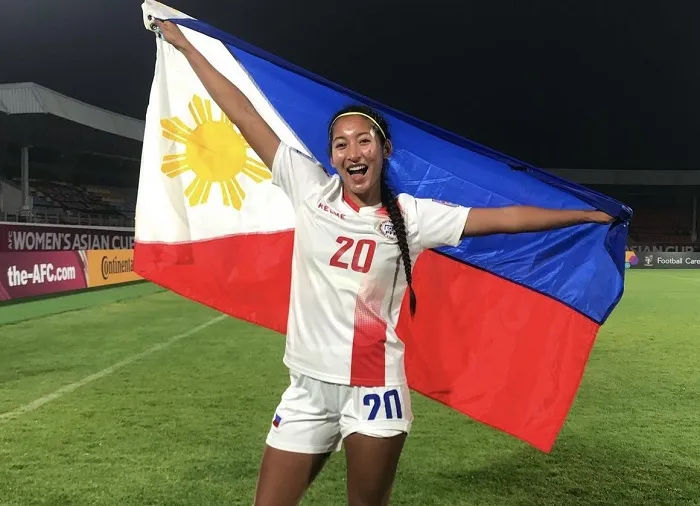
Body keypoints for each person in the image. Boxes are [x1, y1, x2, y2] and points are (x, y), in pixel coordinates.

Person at [153, 20, 614, 506]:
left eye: (363, 140)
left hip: (375, 390)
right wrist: (186, 46)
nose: (353, 152)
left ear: (383, 150)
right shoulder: (308, 189)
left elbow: (504, 218)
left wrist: (583, 215)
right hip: (307, 387)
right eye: (341, 144)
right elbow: (243, 113)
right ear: (332, 156)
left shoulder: (412, 217)